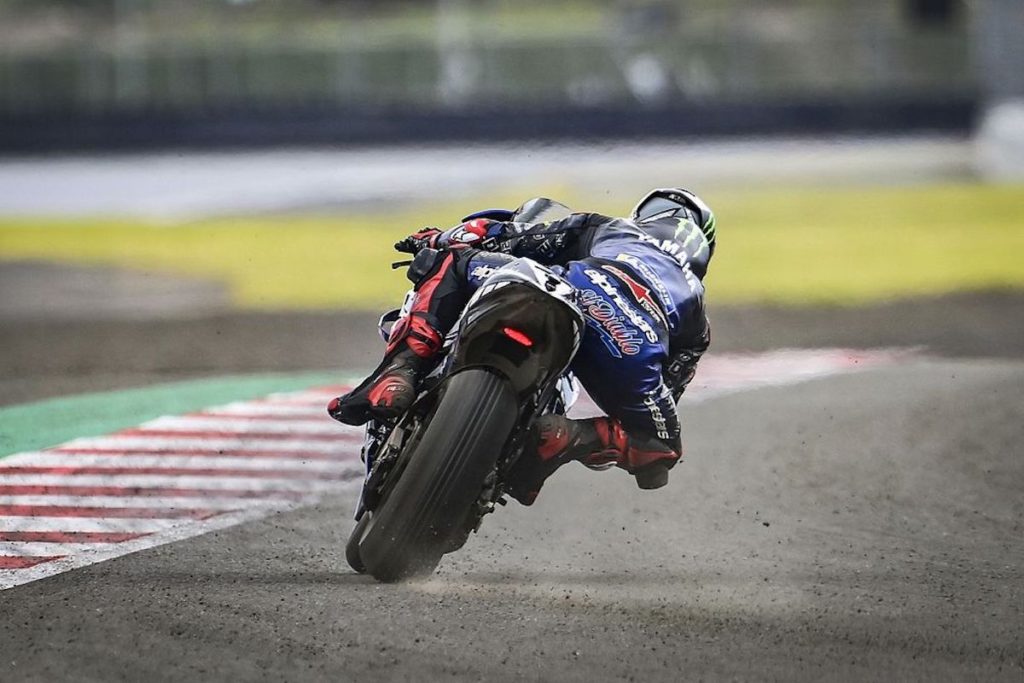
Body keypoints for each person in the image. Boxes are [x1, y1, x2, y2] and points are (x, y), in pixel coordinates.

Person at [329, 188, 715, 505]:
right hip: (634, 346)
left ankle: (401, 371)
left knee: (451, 261)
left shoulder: (613, 228)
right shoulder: (696, 311)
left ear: (646, 216)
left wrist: (437, 239)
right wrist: (605, 437)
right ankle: (565, 438)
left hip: (579, 291)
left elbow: (516, 237)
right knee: (660, 448)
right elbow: (667, 401)